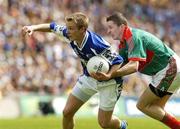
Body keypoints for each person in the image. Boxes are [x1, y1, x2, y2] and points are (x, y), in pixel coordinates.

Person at [22, 12, 127, 129]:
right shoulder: (69, 35)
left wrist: (108, 75)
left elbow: (118, 60)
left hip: (109, 82)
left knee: (104, 123)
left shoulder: (96, 44)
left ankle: (122, 125)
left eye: (71, 29)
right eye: (67, 28)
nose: (67, 31)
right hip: (89, 78)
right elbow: (52, 27)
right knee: (67, 112)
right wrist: (33, 28)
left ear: (83, 29)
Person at [92, 12, 180, 129]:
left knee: (142, 105)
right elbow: (120, 64)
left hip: (169, 68)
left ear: (122, 26)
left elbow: (133, 66)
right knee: (156, 108)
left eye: (111, 27)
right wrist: (105, 72)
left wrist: (110, 75)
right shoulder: (123, 45)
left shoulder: (133, 37)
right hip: (170, 69)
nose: (108, 31)